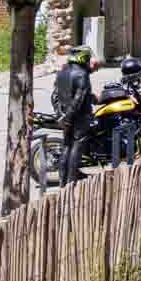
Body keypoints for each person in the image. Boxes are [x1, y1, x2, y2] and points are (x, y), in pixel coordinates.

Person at [50, 46, 96, 186]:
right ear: (83, 58)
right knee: (77, 147)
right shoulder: (82, 74)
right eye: (88, 58)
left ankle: (63, 182)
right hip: (79, 117)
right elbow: (79, 99)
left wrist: (61, 115)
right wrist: (69, 117)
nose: (89, 61)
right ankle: (71, 181)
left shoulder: (62, 72)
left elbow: (54, 96)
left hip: (65, 117)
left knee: (66, 147)